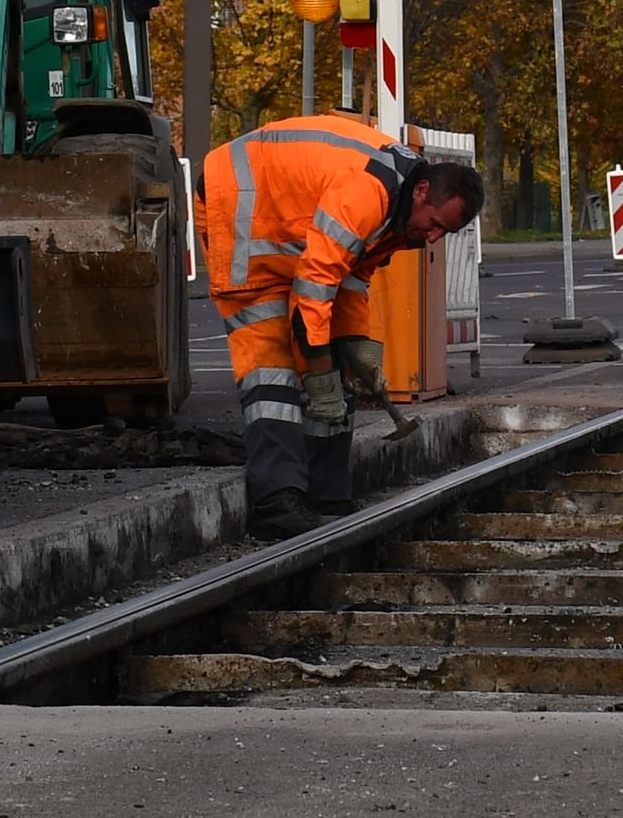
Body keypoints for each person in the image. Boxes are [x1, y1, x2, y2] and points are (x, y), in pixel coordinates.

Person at [194, 119, 483, 538]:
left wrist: (353, 347)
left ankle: (326, 494)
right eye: (436, 223)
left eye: (446, 233)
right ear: (422, 192)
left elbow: (350, 278)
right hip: (241, 208)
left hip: (286, 226)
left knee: (335, 373)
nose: (434, 238)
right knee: (271, 367)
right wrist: (318, 363)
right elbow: (316, 285)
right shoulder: (367, 193)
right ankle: (276, 503)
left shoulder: (402, 212)